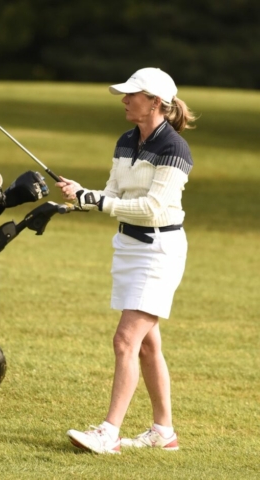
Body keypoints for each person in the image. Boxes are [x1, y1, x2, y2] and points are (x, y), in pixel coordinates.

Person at [57, 67, 196, 455]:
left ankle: (109, 433)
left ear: (155, 103)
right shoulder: (126, 140)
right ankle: (164, 432)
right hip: (129, 248)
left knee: (125, 340)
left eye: (132, 94)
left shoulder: (175, 149)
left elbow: (152, 208)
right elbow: (113, 194)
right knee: (148, 347)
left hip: (158, 250)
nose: (125, 99)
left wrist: (98, 201)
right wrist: (82, 194)